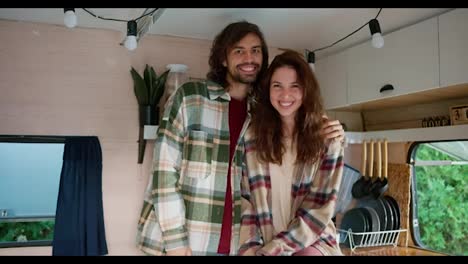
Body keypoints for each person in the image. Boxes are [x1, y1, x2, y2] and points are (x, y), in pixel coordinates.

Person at [136, 21, 344, 256]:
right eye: (239, 50)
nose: (249, 58)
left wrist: (333, 133)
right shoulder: (190, 97)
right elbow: (164, 172)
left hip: (237, 246)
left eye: (255, 50)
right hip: (188, 243)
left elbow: (251, 193)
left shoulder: (261, 116)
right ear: (223, 58)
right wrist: (175, 243)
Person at [238, 50, 345, 256]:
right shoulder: (252, 136)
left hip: (312, 242)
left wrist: (276, 250)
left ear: (306, 90)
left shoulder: (328, 138)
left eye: (294, 86)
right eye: (277, 86)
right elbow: (246, 201)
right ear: (268, 90)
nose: (285, 95)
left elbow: (318, 211)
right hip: (266, 243)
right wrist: (250, 249)